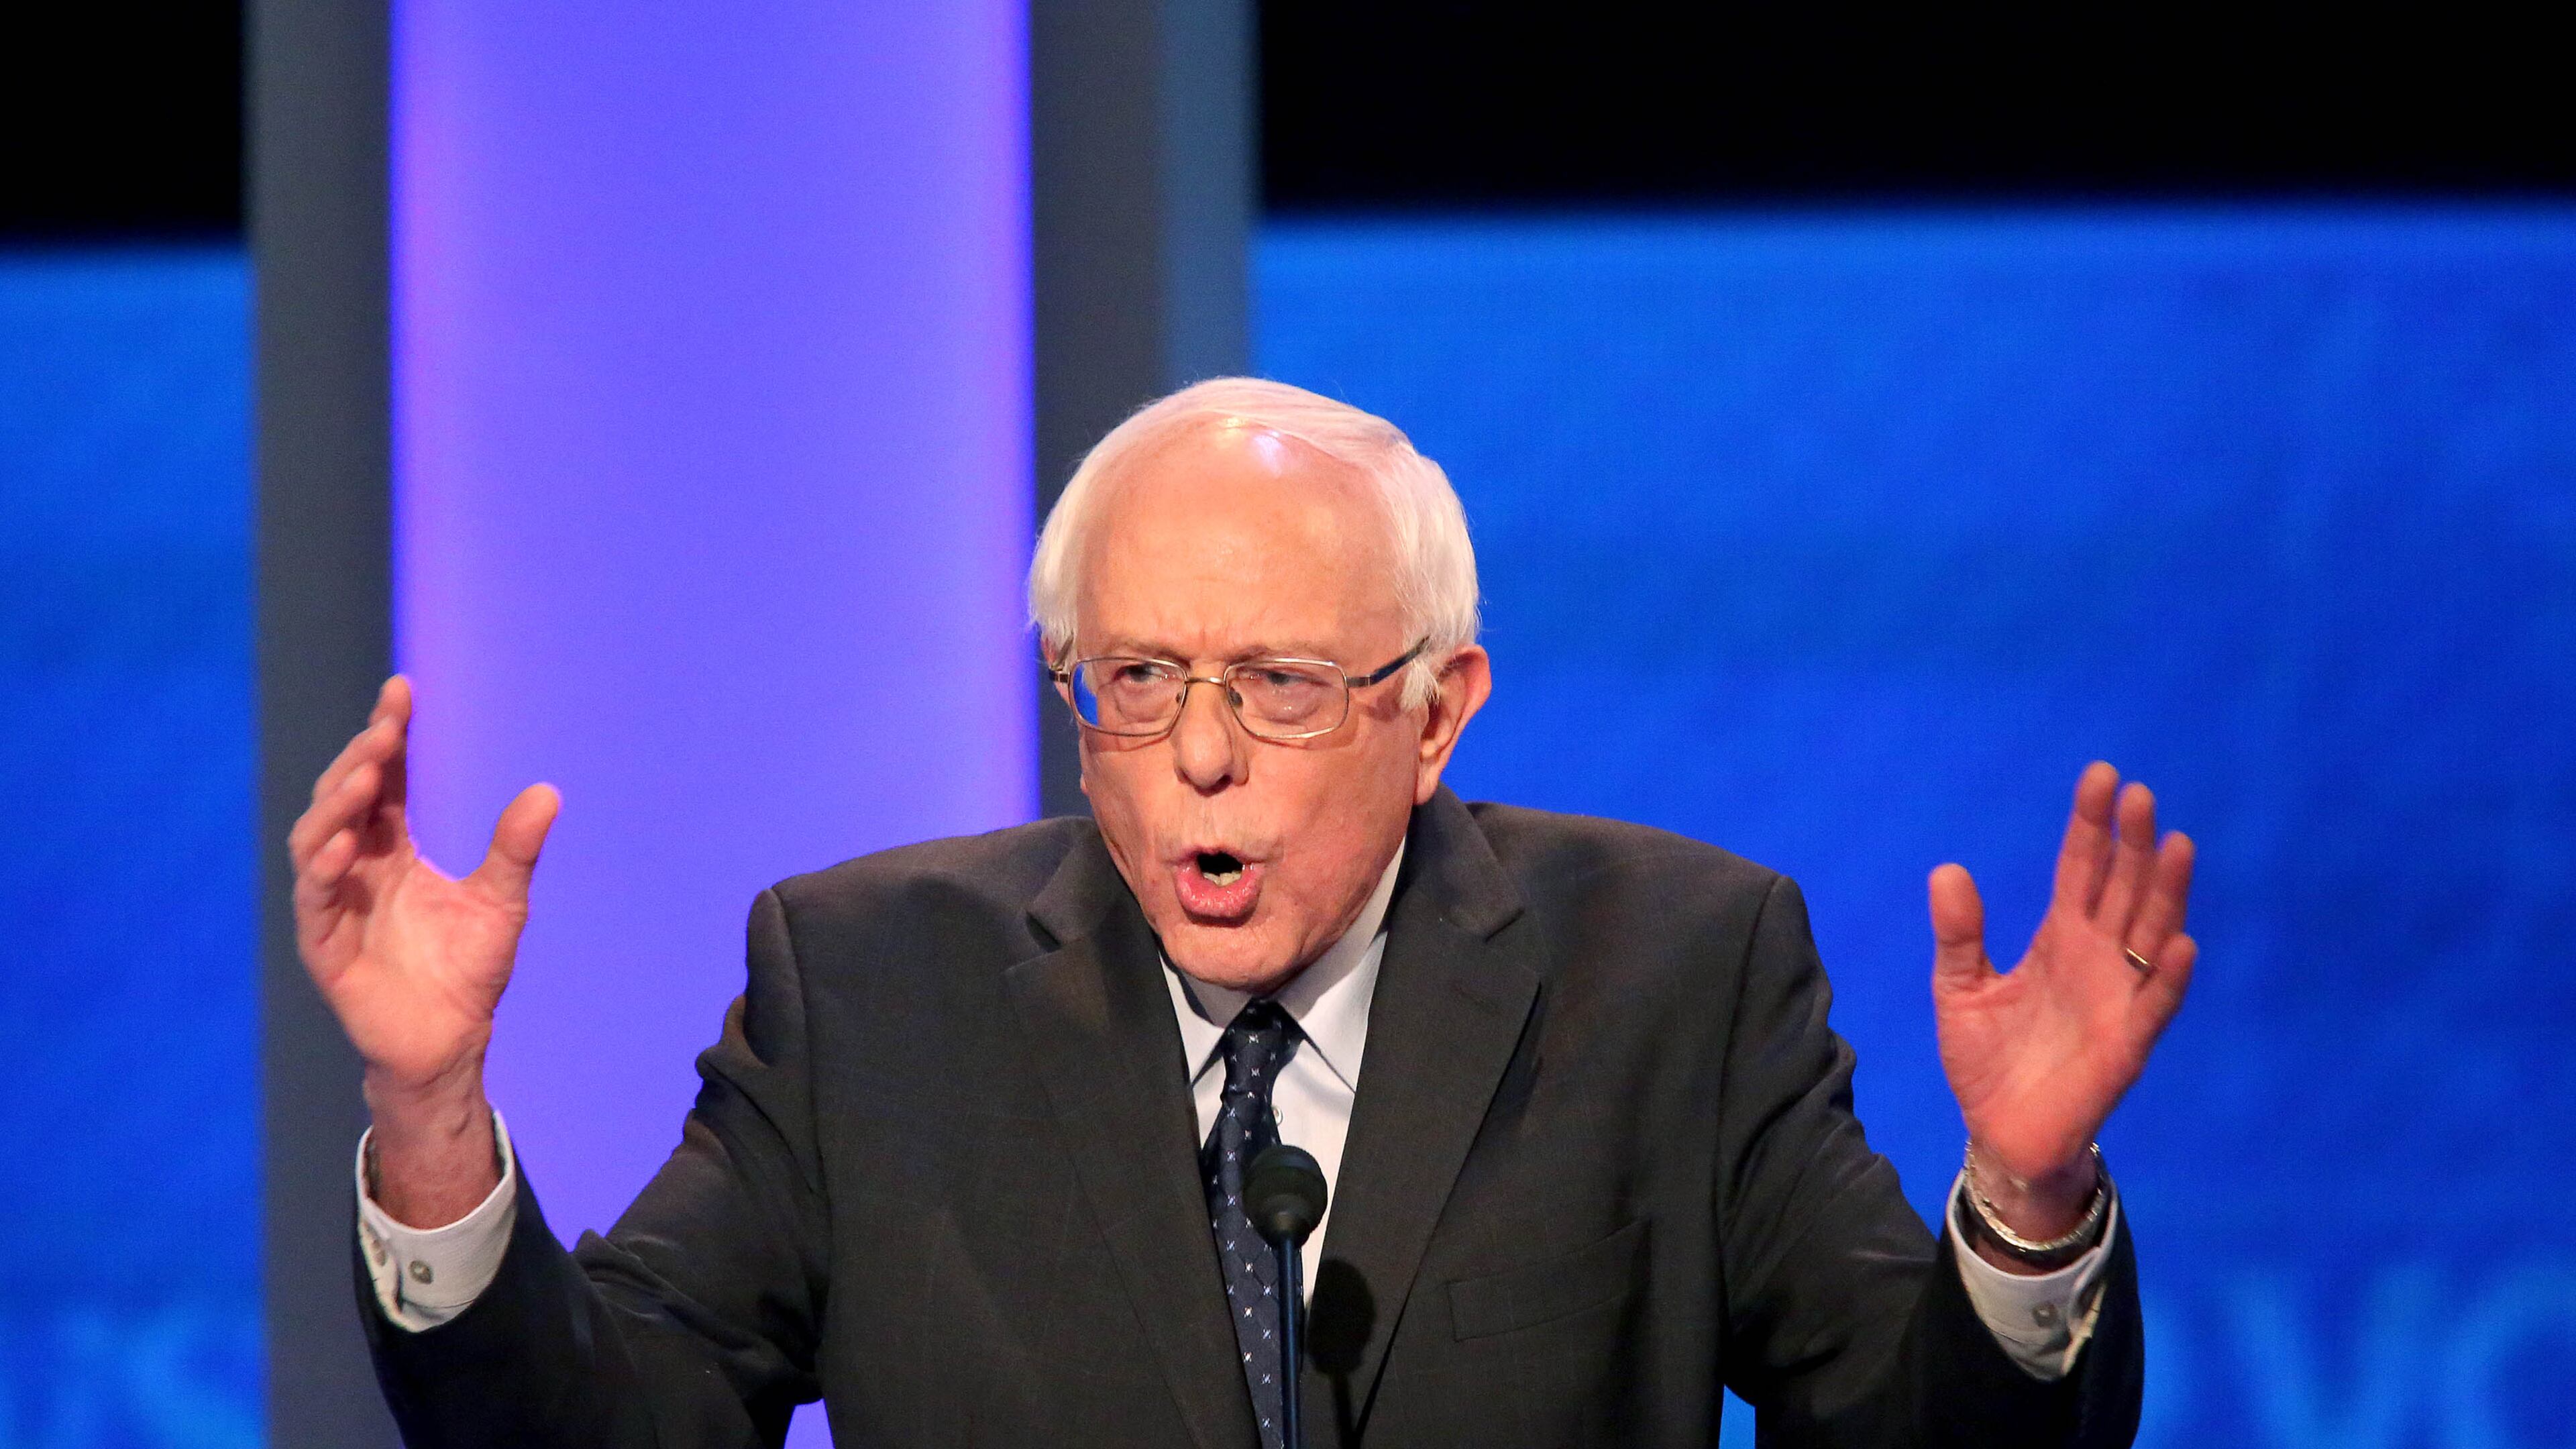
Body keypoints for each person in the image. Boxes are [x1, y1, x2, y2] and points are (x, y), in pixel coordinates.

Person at [292, 378, 2196, 1446]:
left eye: (1280, 685)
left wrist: (2025, 1207)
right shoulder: (866, 993)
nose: (1198, 759)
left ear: (1436, 712)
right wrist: (433, 1122)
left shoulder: (1674, 975)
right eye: (1134, 681)